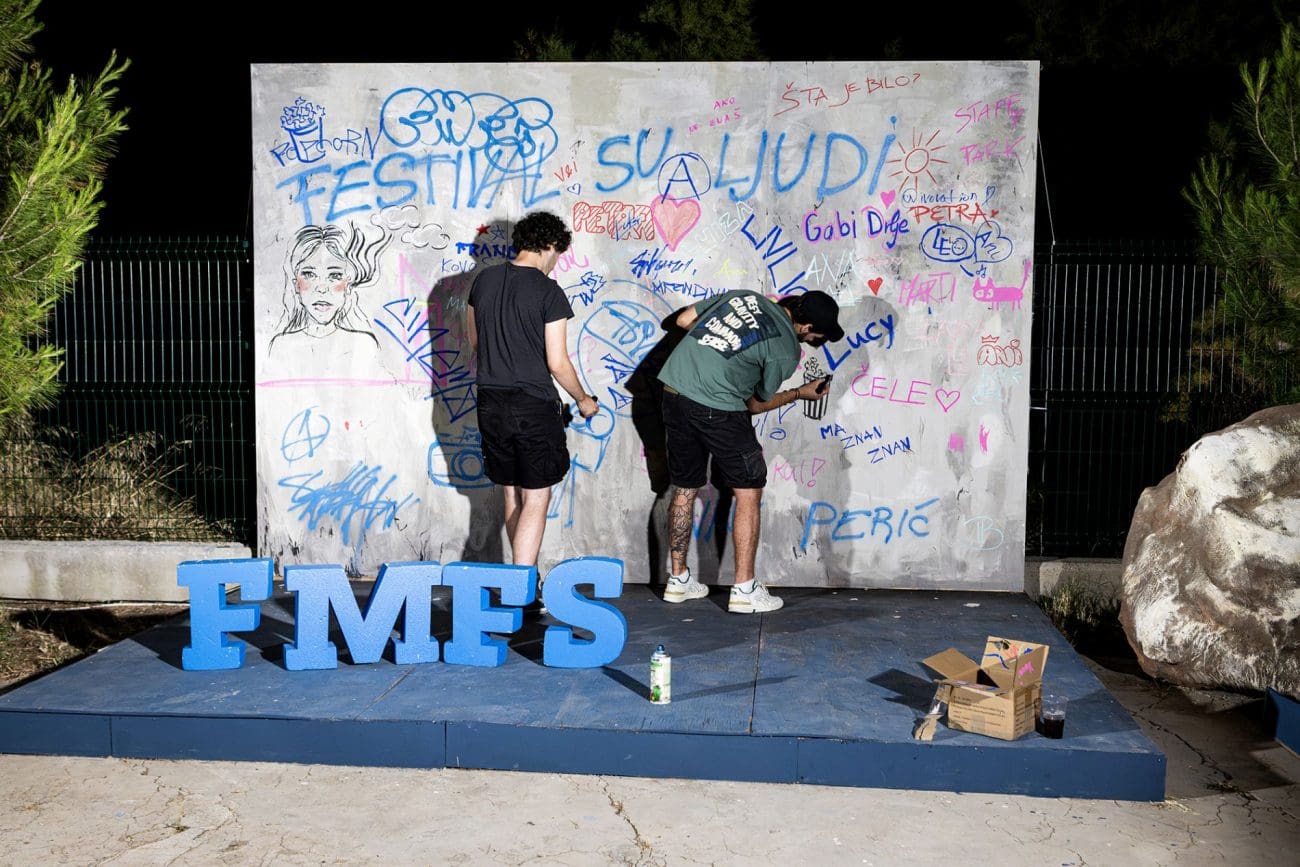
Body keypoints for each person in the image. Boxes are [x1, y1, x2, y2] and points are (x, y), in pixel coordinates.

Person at [656, 289, 844, 613]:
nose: (816, 341)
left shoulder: (746, 297)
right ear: (805, 327)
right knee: (748, 490)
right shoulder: (786, 350)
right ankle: (744, 590)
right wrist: (799, 393)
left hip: (674, 392)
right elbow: (754, 405)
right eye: (817, 336)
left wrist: (720, 346)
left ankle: (678, 580)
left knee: (685, 486)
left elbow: (683, 320)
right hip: (718, 408)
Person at [467, 211, 599, 606]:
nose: (556, 261)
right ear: (549, 246)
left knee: (512, 495)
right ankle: (521, 592)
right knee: (537, 499)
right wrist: (583, 399)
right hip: (532, 405)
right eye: (557, 253)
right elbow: (557, 362)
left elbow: (476, 345)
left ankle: (524, 580)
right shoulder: (548, 291)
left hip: (490, 401)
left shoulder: (483, 281)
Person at [267, 222, 395, 381]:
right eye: (309, 274)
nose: (322, 288)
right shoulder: (282, 345)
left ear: (348, 286)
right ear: (296, 285)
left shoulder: (364, 343)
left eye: (334, 275)